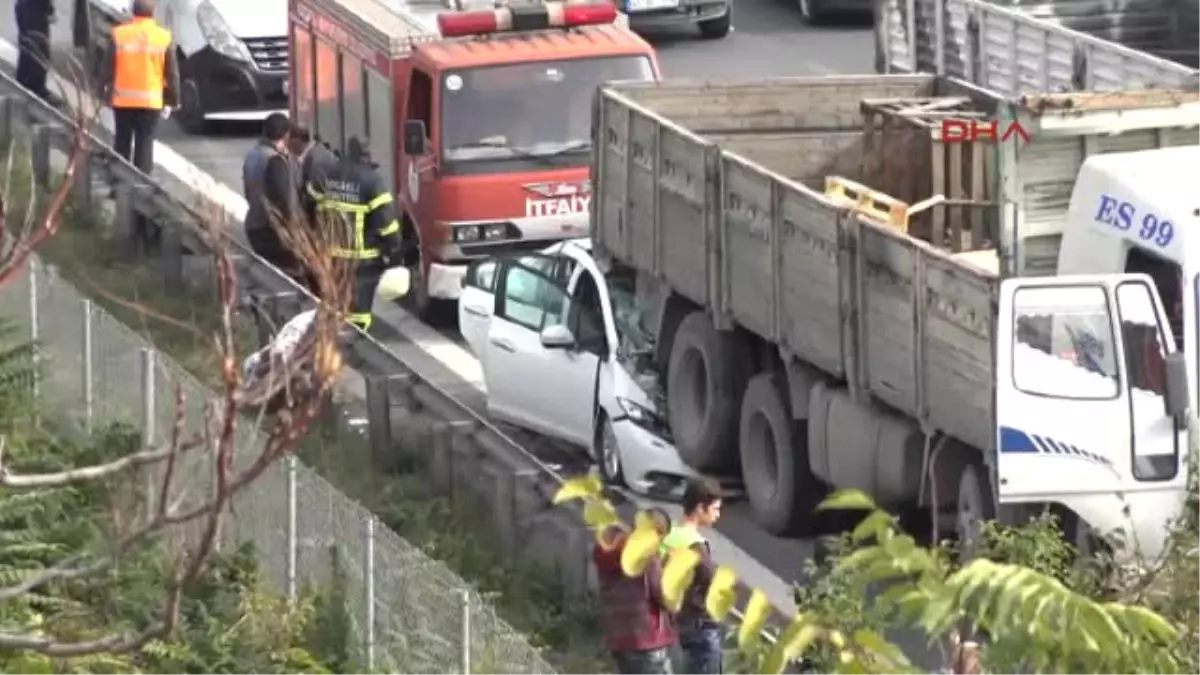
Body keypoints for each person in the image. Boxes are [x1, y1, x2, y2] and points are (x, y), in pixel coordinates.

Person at [305, 136, 403, 332]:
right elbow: (387, 227)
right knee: (358, 313)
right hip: (361, 262)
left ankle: (330, 345)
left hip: (329, 256)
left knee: (332, 304)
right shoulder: (372, 181)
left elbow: (308, 206)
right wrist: (394, 251)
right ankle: (353, 349)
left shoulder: (326, 174)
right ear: (366, 155)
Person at [101, 0, 179, 174]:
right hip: (150, 103)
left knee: (122, 142)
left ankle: (118, 186)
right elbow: (172, 74)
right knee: (145, 144)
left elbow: (106, 68)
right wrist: (172, 101)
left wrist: (103, 93)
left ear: (132, 12)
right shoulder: (163, 37)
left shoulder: (119, 34)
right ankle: (140, 190)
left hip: (122, 101)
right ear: (153, 13)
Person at [594, 518, 676, 675]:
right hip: (647, 637)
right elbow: (661, 592)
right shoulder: (647, 553)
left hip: (617, 635)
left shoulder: (605, 550)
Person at [661, 479, 725, 675]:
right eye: (715, 509)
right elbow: (710, 581)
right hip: (700, 625)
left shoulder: (669, 537)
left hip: (677, 622)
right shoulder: (695, 545)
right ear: (700, 508)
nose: (718, 514)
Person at [243, 113, 301, 277]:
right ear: (285, 135)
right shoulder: (275, 161)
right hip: (271, 234)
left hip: (253, 226)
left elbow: (248, 192)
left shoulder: (252, 155)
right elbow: (286, 203)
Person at [15, 0, 57, 105]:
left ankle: (31, 84)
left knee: (35, 46)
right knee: (35, 46)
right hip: (32, 11)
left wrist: (49, 9)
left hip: (32, 9)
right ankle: (33, 87)